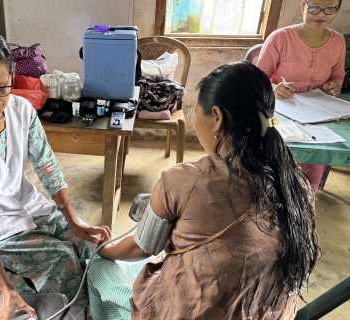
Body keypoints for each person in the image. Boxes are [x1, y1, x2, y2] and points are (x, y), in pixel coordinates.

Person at [85, 61, 320, 320]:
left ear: (217, 118)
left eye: (197, 117)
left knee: (98, 268)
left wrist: (104, 249)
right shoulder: (296, 184)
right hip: (270, 313)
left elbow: (139, 248)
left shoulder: (185, 181)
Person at [0, 25, 111, 320]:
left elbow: (46, 165)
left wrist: (72, 220)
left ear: (12, 74)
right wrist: (4, 288)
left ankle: (89, 313)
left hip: (25, 205)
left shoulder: (22, 110)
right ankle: (63, 314)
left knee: (89, 245)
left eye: (1, 87)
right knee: (61, 261)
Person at [256, 0, 346, 190]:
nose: (321, 14)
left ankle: (303, 200)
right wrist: (273, 87)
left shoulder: (338, 41)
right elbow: (258, 77)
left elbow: (337, 76)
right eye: (314, 6)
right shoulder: (281, 38)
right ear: (302, 6)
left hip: (318, 114)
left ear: (337, 10)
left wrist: (334, 86)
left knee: (313, 160)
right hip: (279, 110)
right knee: (275, 157)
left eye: (330, 8)